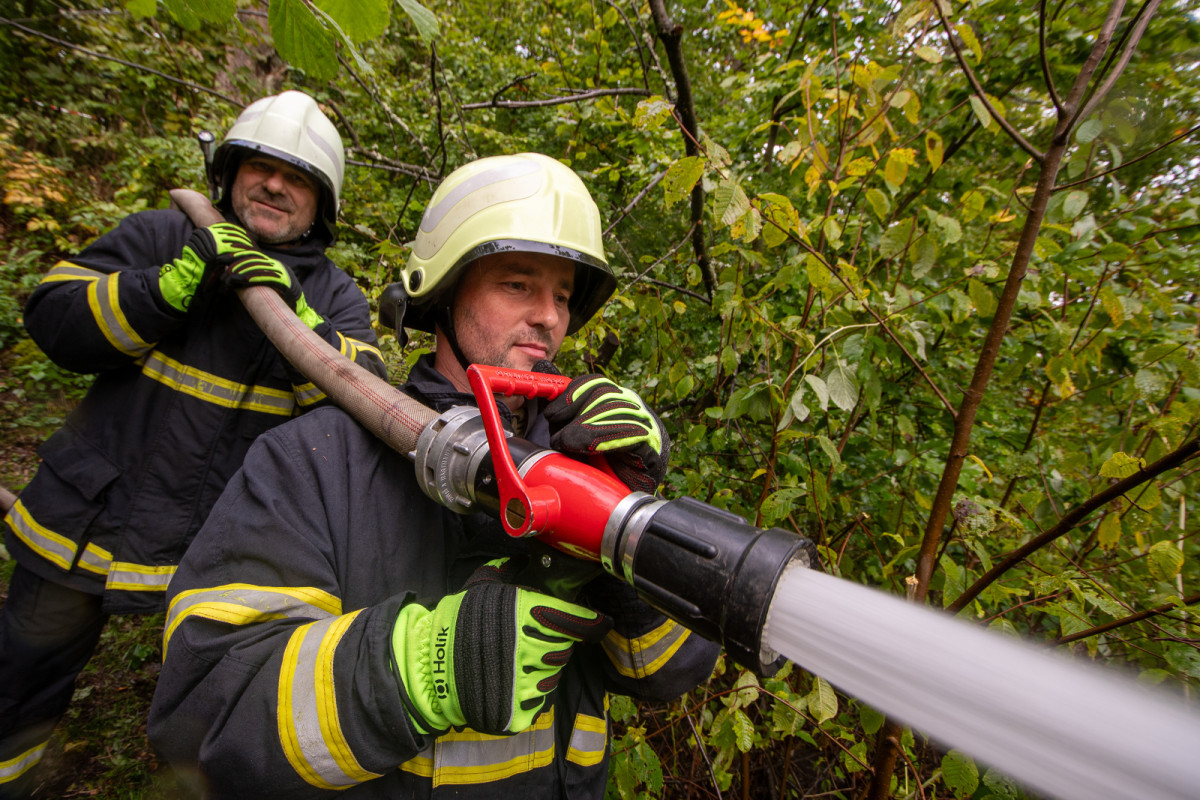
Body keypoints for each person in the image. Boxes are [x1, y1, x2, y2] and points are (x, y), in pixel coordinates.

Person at [146, 153, 720, 797]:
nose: (550, 317)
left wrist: (622, 524)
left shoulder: (577, 465)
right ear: (444, 289)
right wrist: (418, 669)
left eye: (562, 295)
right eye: (518, 285)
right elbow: (202, 721)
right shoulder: (314, 461)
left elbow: (669, 672)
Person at [0, 90, 387, 798]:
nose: (273, 184)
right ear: (230, 172)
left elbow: (370, 404)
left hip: (211, 555)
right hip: (85, 525)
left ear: (321, 203)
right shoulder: (159, 236)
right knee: (17, 682)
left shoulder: (333, 298)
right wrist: (164, 290)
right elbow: (53, 317)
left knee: (208, 719)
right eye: (259, 167)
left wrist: (300, 326)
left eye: (295, 176)